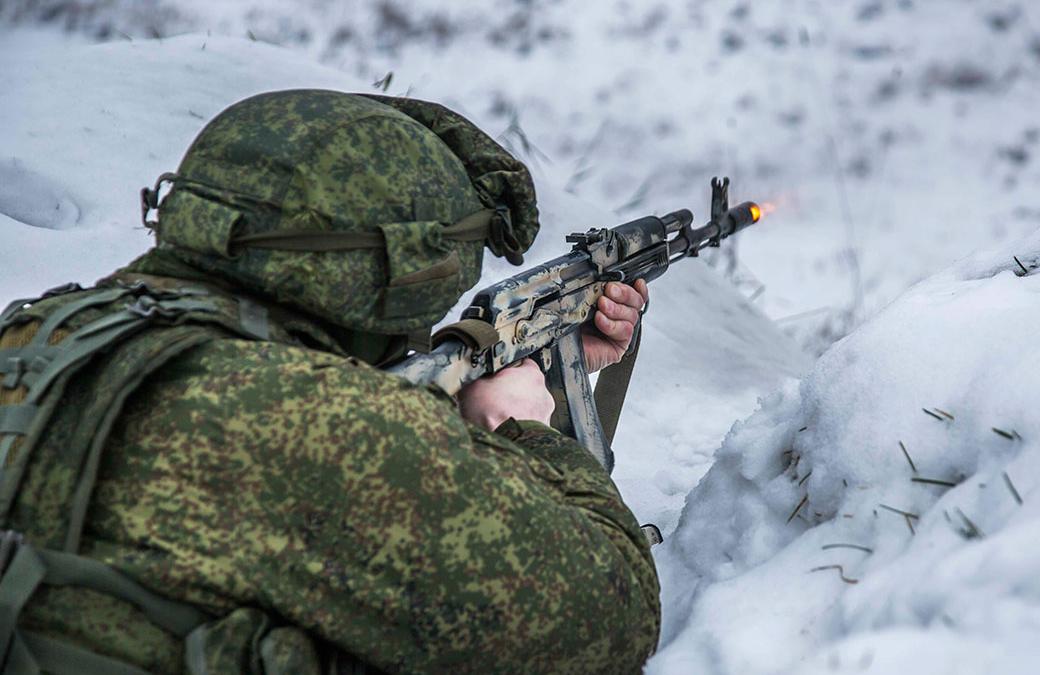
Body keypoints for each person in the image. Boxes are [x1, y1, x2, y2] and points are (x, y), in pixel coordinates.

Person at [0, 89, 659, 674]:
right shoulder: (326, 424)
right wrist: (523, 427)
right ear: (395, 268)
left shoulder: (37, 332)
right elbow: (612, 620)